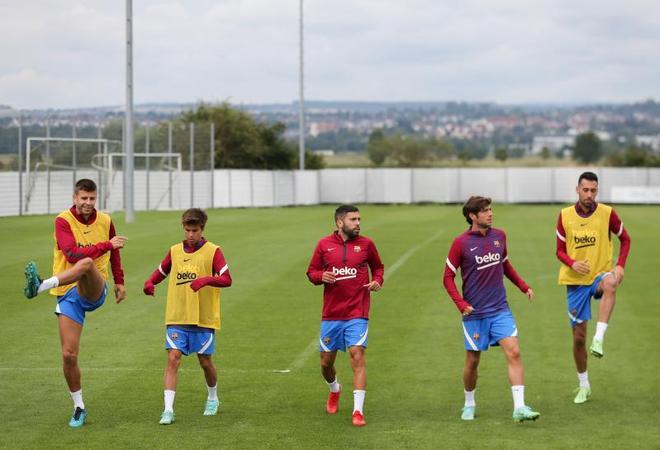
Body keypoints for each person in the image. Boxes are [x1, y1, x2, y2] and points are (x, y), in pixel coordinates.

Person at [23, 178, 127, 428]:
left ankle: (41, 285)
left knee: (88, 265)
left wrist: (119, 281)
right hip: (68, 294)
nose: (88, 203)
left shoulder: (105, 220)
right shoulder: (63, 221)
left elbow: (114, 252)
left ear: (96, 198)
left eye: (92, 198)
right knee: (69, 355)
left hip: (95, 287)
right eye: (84, 198)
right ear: (75, 198)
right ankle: (79, 406)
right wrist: (105, 245)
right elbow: (71, 253)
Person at [443, 196, 540, 423]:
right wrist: (461, 304)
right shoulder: (460, 243)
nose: (490, 213)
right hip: (474, 314)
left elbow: (504, 264)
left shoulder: (500, 236)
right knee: (473, 360)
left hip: (500, 309)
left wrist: (523, 286)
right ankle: (469, 403)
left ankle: (520, 407)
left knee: (514, 352)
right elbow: (447, 277)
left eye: (490, 209)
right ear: (472, 216)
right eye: (485, 211)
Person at [143, 208, 232, 425]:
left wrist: (205, 280)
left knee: (205, 362)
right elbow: (163, 270)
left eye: (195, 230)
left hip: (203, 318)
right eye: (187, 230)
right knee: (173, 358)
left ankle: (212, 398)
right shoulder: (174, 251)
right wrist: (150, 282)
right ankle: (168, 410)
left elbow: (227, 279)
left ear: (202, 229)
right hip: (177, 315)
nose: (190, 235)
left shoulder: (213, 251)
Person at [555, 171, 631, 404]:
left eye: (593, 190)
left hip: (600, 274)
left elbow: (625, 239)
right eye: (585, 190)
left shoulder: (607, 213)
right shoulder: (565, 215)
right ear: (577, 189)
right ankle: (583, 385)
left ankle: (599, 338)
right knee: (578, 338)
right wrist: (572, 263)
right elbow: (559, 250)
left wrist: (619, 266)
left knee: (611, 282)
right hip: (575, 281)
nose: (589, 194)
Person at [306, 204, 384, 427]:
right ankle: (334, 389)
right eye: (353, 220)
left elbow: (378, 267)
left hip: (357, 312)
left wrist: (378, 280)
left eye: (359, 219)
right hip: (331, 315)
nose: (358, 223)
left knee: (357, 354)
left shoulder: (367, 244)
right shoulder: (323, 245)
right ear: (340, 223)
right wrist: (322, 276)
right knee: (325, 363)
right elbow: (311, 273)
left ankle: (357, 411)